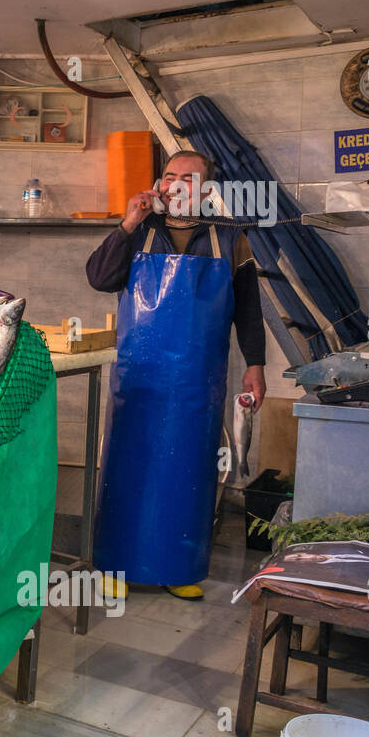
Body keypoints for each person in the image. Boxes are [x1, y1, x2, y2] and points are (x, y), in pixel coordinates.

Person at [86, 151, 266, 601]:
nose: (176, 184)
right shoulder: (140, 232)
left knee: (189, 470)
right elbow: (100, 278)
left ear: (207, 190)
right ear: (159, 185)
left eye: (189, 177)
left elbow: (247, 310)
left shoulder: (231, 238)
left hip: (197, 383)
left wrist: (255, 367)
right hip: (139, 382)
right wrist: (127, 222)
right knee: (128, 469)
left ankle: (178, 565)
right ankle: (115, 562)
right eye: (169, 176)